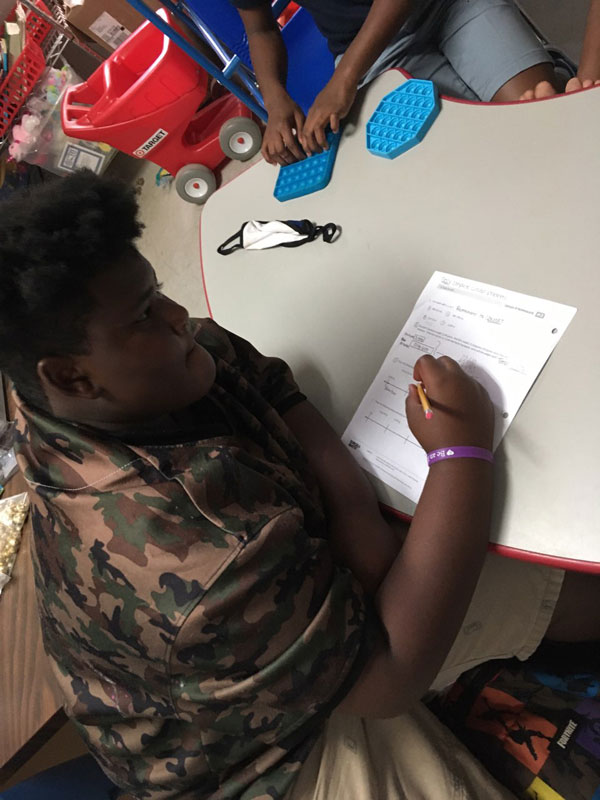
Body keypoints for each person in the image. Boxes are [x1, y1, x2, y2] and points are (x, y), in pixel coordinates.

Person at [1, 171, 598, 800]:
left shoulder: (97, 384)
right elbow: (392, 674)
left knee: (559, 580)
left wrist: (359, 524)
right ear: (72, 377)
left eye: (158, 291)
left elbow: (269, 384)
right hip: (263, 759)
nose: (180, 317)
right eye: (145, 313)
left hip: (292, 610)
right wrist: (460, 453)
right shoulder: (198, 560)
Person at [231, 0, 592, 165]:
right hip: (368, 49)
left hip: (450, 6)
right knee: (462, 160)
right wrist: (275, 102)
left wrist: (345, 77)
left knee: (538, 125)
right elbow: (260, 27)